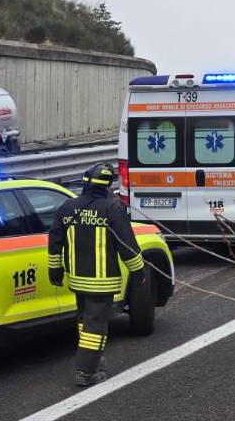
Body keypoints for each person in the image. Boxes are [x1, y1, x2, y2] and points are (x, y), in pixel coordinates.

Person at [48, 163, 146, 386]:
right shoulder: (112, 210)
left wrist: (55, 270)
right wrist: (139, 271)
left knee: (85, 321)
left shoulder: (66, 208)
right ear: (108, 185)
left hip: (77, 281)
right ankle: (87, 371)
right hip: (101, 283)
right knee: (95, 325)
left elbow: (54, 242)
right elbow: (127, 246)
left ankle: (94, 359)